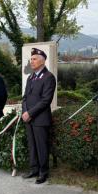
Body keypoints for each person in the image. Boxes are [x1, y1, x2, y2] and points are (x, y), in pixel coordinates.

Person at [21, 48, 56, 184]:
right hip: (28, 118)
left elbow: (46, 100)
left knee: (41, 146)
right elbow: (25, 98)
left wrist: (30, 113)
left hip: (40, 119)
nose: (32, 61)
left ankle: (43, 172)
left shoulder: (49, 77)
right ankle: (34, 169)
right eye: (31, 59)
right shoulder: (31, 77)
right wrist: (25, 112)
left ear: (42, 61)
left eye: (34, 59)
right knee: (32, 145)